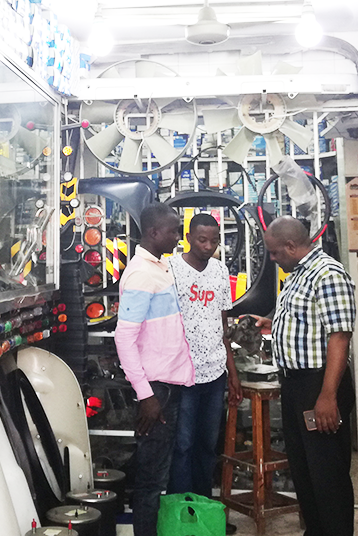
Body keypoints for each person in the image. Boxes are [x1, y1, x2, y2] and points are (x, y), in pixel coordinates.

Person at [252, 216, 357, 536]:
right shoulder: (297, 274)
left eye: (274, 253)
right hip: (296, 385)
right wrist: (273, 326)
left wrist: (327, 396)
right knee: (305, 473)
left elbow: (340, 336)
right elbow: (309, 325)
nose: (272, 259)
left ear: (291, 246)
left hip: (319, 385)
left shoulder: (327, 274)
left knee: (327, 476)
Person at [114, 203, 195, 536]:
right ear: (153, 232)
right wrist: (146, 395)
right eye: (174, 231)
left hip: (169, 385)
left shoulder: (159, 267)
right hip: (156, 390)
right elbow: (124, 339)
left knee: (158, 474)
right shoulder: (140, 274)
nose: (178, 238)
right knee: (150, 481)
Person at [167, 213, 243, 501]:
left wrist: (232, 374)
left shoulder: (220, 271)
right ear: (188, 238)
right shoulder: (171, 269)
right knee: (183, 444)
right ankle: (181, 512)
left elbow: (222, 327)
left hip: (214, 373)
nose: (208, 246)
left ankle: (203, 508)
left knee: (208, 445)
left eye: (214, 240)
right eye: (202, 239)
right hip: (182, 373)